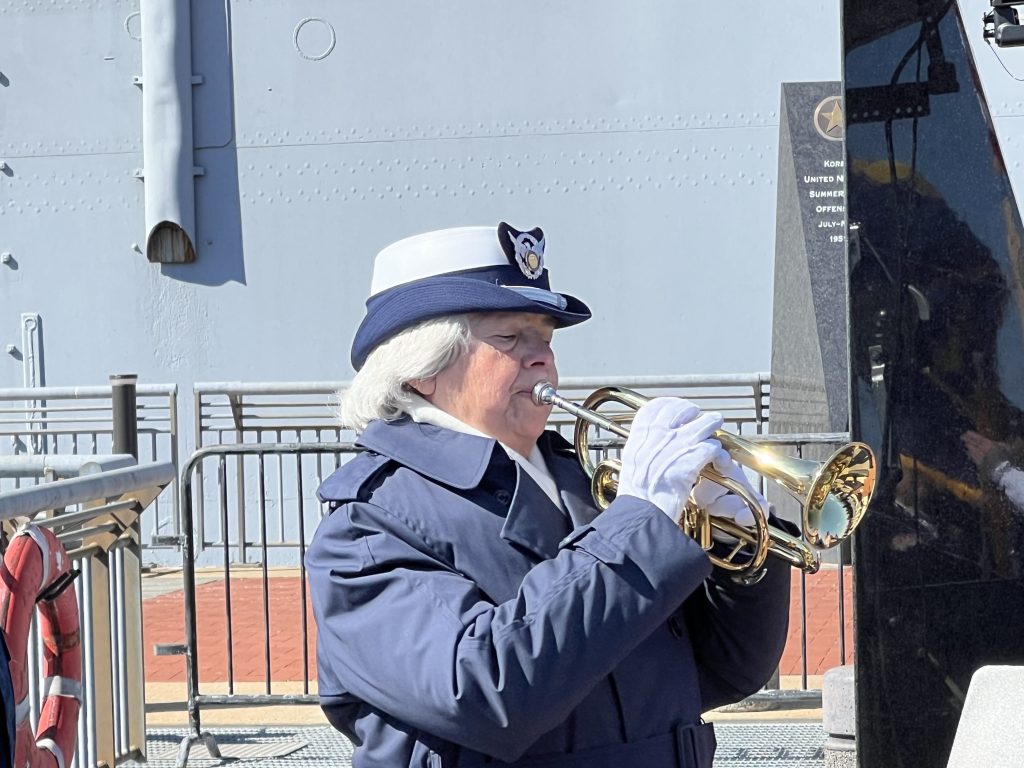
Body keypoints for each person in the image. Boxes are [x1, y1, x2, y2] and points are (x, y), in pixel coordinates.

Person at [306, 223, 791, 768]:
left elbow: (724, 669)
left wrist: (742, 547)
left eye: (547, 339)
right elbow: (486, 690)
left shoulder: (583, 482)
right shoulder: (366, 527)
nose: (543, 359)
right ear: (422, 370)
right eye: (511, 338)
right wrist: (641, 523)